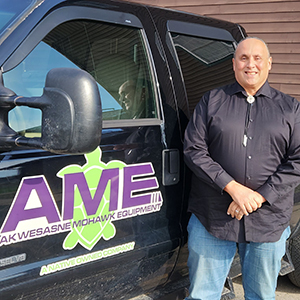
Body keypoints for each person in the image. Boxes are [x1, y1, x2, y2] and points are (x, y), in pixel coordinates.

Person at [183, 37, 300, 300]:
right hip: (212, 216)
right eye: (244, 58)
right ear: (234, 64)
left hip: (267, 221)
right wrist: (233, 188)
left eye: (257, 58)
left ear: (269, 64)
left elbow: (298, 160)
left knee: (260, 295)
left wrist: (256, 196)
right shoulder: (212, 101)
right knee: (203, 295)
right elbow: (194, 149)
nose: (251, 64)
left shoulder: (290, 109)